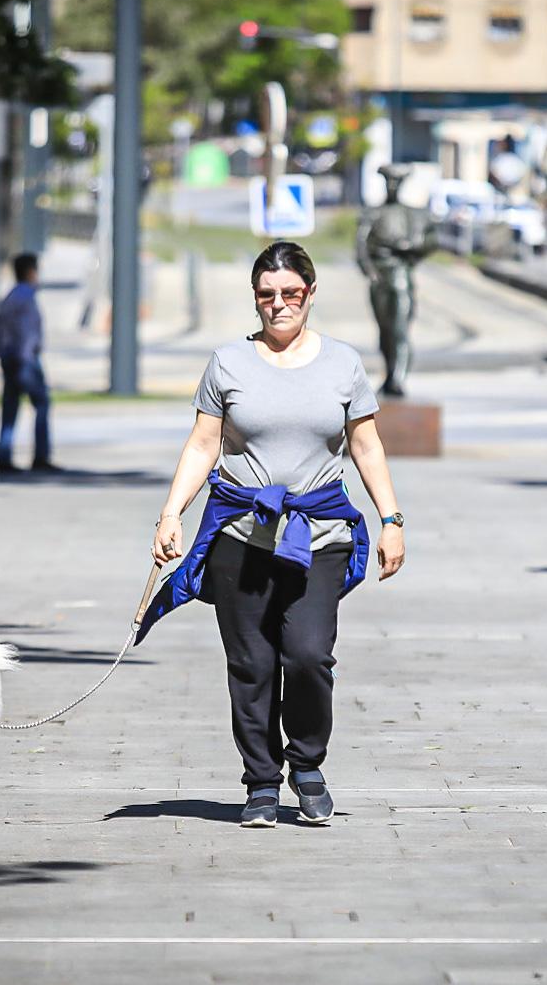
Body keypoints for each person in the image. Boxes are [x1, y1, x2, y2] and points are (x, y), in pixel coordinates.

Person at [138, 241, 406, 829]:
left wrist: (390, 520)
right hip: (240, 534)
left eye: (290, 294)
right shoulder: (229, 361)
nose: (278, 305)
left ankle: (306, 765)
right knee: (252, 663)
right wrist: (171, 512)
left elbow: (366, 444)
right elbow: (204, 443)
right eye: (267, 295)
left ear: (309, 294)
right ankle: (262, 781)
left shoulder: (342, 363)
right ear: (254, 299)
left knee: (308, 655)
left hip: (320, 532)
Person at [355, 163, 437, 396]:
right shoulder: (374, 213)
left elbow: (430, 241)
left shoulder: (414, 214)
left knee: (399, 329)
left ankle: (398, 378)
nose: (392, 187)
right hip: (380, 277)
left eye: (396, 182)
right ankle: (390, 375)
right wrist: (370, 272)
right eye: (388, 182)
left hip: (401, 275)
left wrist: (411, 248)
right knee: (385, 331)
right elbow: (361, 247)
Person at [0, 252, 55, 473]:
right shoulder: (27, 298)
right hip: (24, 360)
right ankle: (41, 456)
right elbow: (27, 334)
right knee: (42, 403)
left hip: (9, 358)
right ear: (30, 272)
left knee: (10, 409)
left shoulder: (9, 296)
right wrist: (26, 360)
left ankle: (5, 457)